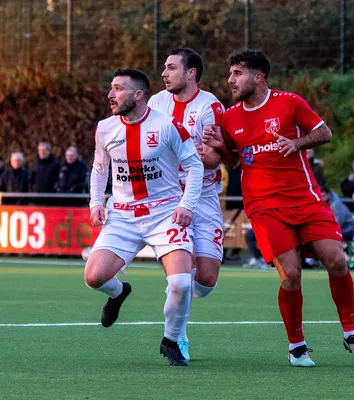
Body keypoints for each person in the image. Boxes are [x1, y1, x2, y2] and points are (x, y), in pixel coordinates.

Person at [203, 49, 354, 367]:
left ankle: (351, 335)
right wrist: (220, 148)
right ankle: (297, 346)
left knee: (337, 260)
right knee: (291, 274)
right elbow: (236, 163)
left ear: (258, 77)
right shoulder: (229, 117)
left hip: (306, 199)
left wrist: (297, 143)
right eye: (230, 74)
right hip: (264, 207)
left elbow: (325, 133)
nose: (230, 80)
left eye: (237, 73)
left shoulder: (289, 102)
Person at [84, 68, 204, 367]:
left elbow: (195, 166)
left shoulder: (168, 125)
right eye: (111, 88)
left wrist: (187, 205)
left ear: (138, 95)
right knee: (94, 277)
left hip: (165, 213)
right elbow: (99, 169)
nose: (111, 95)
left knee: (181, 282)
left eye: (118, 89)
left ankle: (171, 340)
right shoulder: (105, 128)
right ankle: (119, 292)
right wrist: (96, 202)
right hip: (123, 216)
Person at [148, 48, 224, 360]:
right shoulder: (156, 104)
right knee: (182, 272)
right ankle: (176, 335)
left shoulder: (210, 106)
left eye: (171, 68)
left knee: (205, 279)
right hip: (168, 200)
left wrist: (190, 154)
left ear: (191, 73)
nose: (164, 73)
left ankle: (176, 294)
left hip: (203, 197)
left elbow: (214, 159)